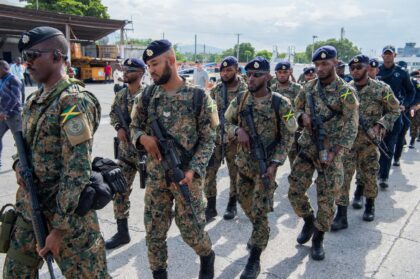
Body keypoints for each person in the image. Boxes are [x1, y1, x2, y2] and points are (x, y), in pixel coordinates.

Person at [3, 26, 109, 278]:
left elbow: (77, 169)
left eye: (32, 55)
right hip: (30, 211)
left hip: (67, 219)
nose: (26, 63)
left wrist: (59, 230)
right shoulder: (34, 99)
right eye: (24, 57)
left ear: (57, 56)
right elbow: (24, 147)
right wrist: (18, 163)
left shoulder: (73, 101)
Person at [130, 39, 216, 279]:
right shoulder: (146, 96)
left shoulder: (199, 97)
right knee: (154, 234)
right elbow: (134, 126)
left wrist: (194, 170)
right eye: (148, 65)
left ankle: (207, 256)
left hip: (187, 178)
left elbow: (210, 139)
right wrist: (142, 139)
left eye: (155, 63)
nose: (151, 70)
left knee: (192, 232)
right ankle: (159, 274)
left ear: (171, 61)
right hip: (157, 177)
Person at [225, 57, 297, 279]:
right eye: (249, 74)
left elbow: (289, 134)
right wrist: (237, 131)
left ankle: (254, 259)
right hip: (243, 167)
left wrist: (276, 163)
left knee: (259, 212)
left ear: (268, 76)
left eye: (257, 75)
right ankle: (262, 231)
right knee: (247, 207)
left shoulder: (281, 103)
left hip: (265, 170)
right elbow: (225, 123)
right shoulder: (240, 100)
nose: (252, 78)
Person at [288, 46, 359, 261]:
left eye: (325, 64)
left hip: (332, 152)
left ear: (335, 63)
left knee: (327, 200)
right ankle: (309, 220)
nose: (320, 68)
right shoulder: (308, 87)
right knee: (294, 191)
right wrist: (301, 118)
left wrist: (335, 151)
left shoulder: (346, 91)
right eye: (317, 64)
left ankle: (318, 238)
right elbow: (291, 110)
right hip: (308, 147)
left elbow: (352, 126)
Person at [331, 55, 399, 231]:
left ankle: (370, 205)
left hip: (370, 143)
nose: (355, 71)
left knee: (369, 176)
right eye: (352, 68)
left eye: (359, 67)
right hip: (348, 144)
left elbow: (395, 109)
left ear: (368, 68)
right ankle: (341, 215)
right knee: (343, 179)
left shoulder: (381, 89)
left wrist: (381, 124)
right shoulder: (345, 90)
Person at [106, 58, 146, 249]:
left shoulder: (149, 95)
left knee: (157, 196)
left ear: (140, 73)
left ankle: (157, 233)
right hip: (125, 154)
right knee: (119, 190)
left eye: (129, 70)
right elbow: (113, 113)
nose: (124, 73)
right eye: (124, 69)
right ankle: (123, 233)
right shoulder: (121, 94)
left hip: (147, 155)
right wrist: (118, 127)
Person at [204, 56, 247, 222]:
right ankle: (211, 205)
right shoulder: (216, 90)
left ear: (236, 69)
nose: (225, 73)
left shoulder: (245, 91)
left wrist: (233, 133)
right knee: (209, 172)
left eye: (229, 70)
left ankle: (232, 204)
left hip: (236, 141)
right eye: (223, 70)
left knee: (234, 174)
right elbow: (209, 113)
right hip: (216, 140)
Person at [377, 45, 415, 188]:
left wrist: (404, 104)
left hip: (394, 115)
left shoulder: (402, 73)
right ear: (382, 55)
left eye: (390, 54)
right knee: (375, 146)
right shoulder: (376, 70)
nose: (387, 56)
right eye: (385, 54)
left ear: (395, 56)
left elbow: (411, 92)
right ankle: (376, 171)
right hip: (376, 114)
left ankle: (384, 177)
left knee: (389, 145)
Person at [270, 60, 303, 167]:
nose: (282, 75)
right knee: (270, 164)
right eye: (279, 72)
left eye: (285, 72)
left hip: (293, 131)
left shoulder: (298, 89)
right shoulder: (271, 90)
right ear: (276, 73)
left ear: (290, 72)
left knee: (295, 164)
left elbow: (304, 108)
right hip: (275, 133)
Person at [0, 60, 23, 169]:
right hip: (2, 115)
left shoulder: (14, 80)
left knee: (19, 141)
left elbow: (15, 99)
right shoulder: (2, 79)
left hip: (14, 115)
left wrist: (5, 112)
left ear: (3, 69)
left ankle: (23, 163)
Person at [409, 71, 420, 149]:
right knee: (414, 122)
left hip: (417, 105)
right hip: (414, 105)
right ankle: (412, 140)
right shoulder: (413, 82)